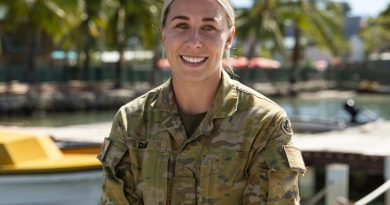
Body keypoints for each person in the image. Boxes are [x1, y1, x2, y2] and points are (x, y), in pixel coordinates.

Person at [97, 0, 306, 204]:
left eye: (209, 27)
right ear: (163, 35)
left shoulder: (265, 123)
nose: (194, 41)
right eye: (181, 25)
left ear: (229, 37)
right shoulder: (131, 121)